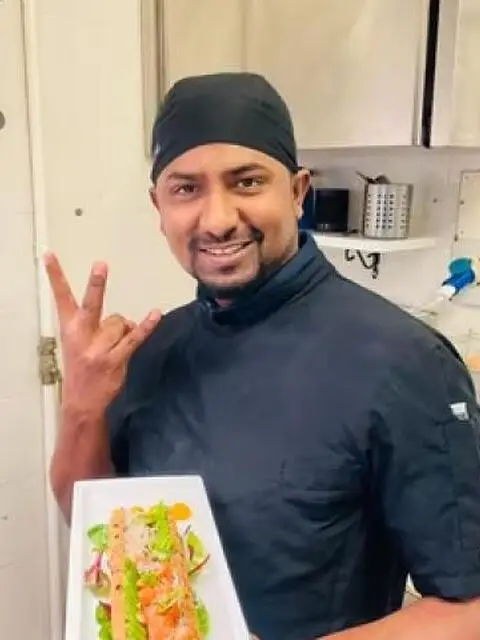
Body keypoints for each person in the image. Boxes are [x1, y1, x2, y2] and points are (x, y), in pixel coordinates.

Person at [46, 72, 480, 640]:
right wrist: (81, 407)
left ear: (298, 193)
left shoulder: (405, 363)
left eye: (247, 182)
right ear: (159, 207)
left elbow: (468, 607)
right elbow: (91, 516)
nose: (218, 218)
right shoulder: (152, 349)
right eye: (186, 189)